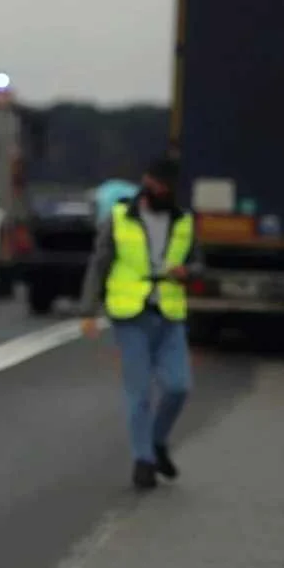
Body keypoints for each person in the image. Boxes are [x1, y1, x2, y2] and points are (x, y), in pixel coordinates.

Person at [79, 157, 201, 491]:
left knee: (179, 386)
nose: (164, 192)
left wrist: (188, 273)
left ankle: (157, 441)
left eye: (169, 187)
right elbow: (99, 263)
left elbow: (198, 262)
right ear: (147, 181)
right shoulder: (120, 217)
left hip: (170, 313)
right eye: (159, 184)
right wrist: (88, 310)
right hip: (130, 314)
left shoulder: (183, 220)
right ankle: (143, 460)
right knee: (140, 391)